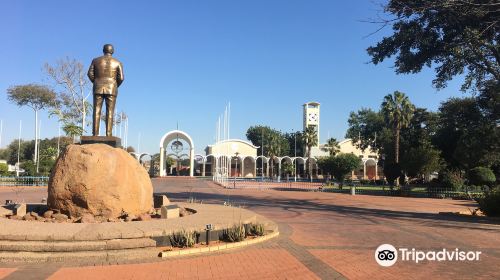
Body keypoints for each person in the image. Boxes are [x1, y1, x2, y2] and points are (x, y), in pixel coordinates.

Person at [87, 44, 124, 137]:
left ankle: (95, 134)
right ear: (112, 51)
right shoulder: (118, 62)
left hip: (98, 87)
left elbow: (89, 74)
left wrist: (96, 81)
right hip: (112, 88)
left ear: (103, 50)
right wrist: (114, 85)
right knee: (110, 112)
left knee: (96, 111)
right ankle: (109, 134)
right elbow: (121, 78)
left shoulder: (95, 60)